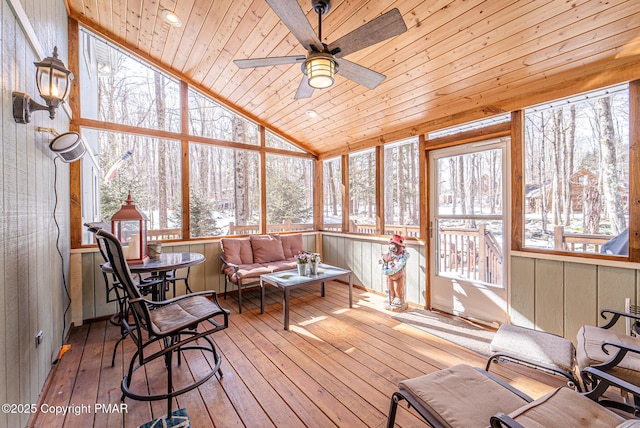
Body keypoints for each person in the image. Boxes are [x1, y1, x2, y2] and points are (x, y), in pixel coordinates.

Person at [379, 234, 410, 311]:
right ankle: (391, 296)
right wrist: (383, 265)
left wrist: (395, 268)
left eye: (396, 246)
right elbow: (383, 260)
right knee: (390, 287)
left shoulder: (403, 255)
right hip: (389, 274)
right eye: (392, 246)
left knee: (398, 287)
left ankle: (399, 297)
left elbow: (400, 264)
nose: (393, 249)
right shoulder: (388, 253)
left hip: (398, 275)